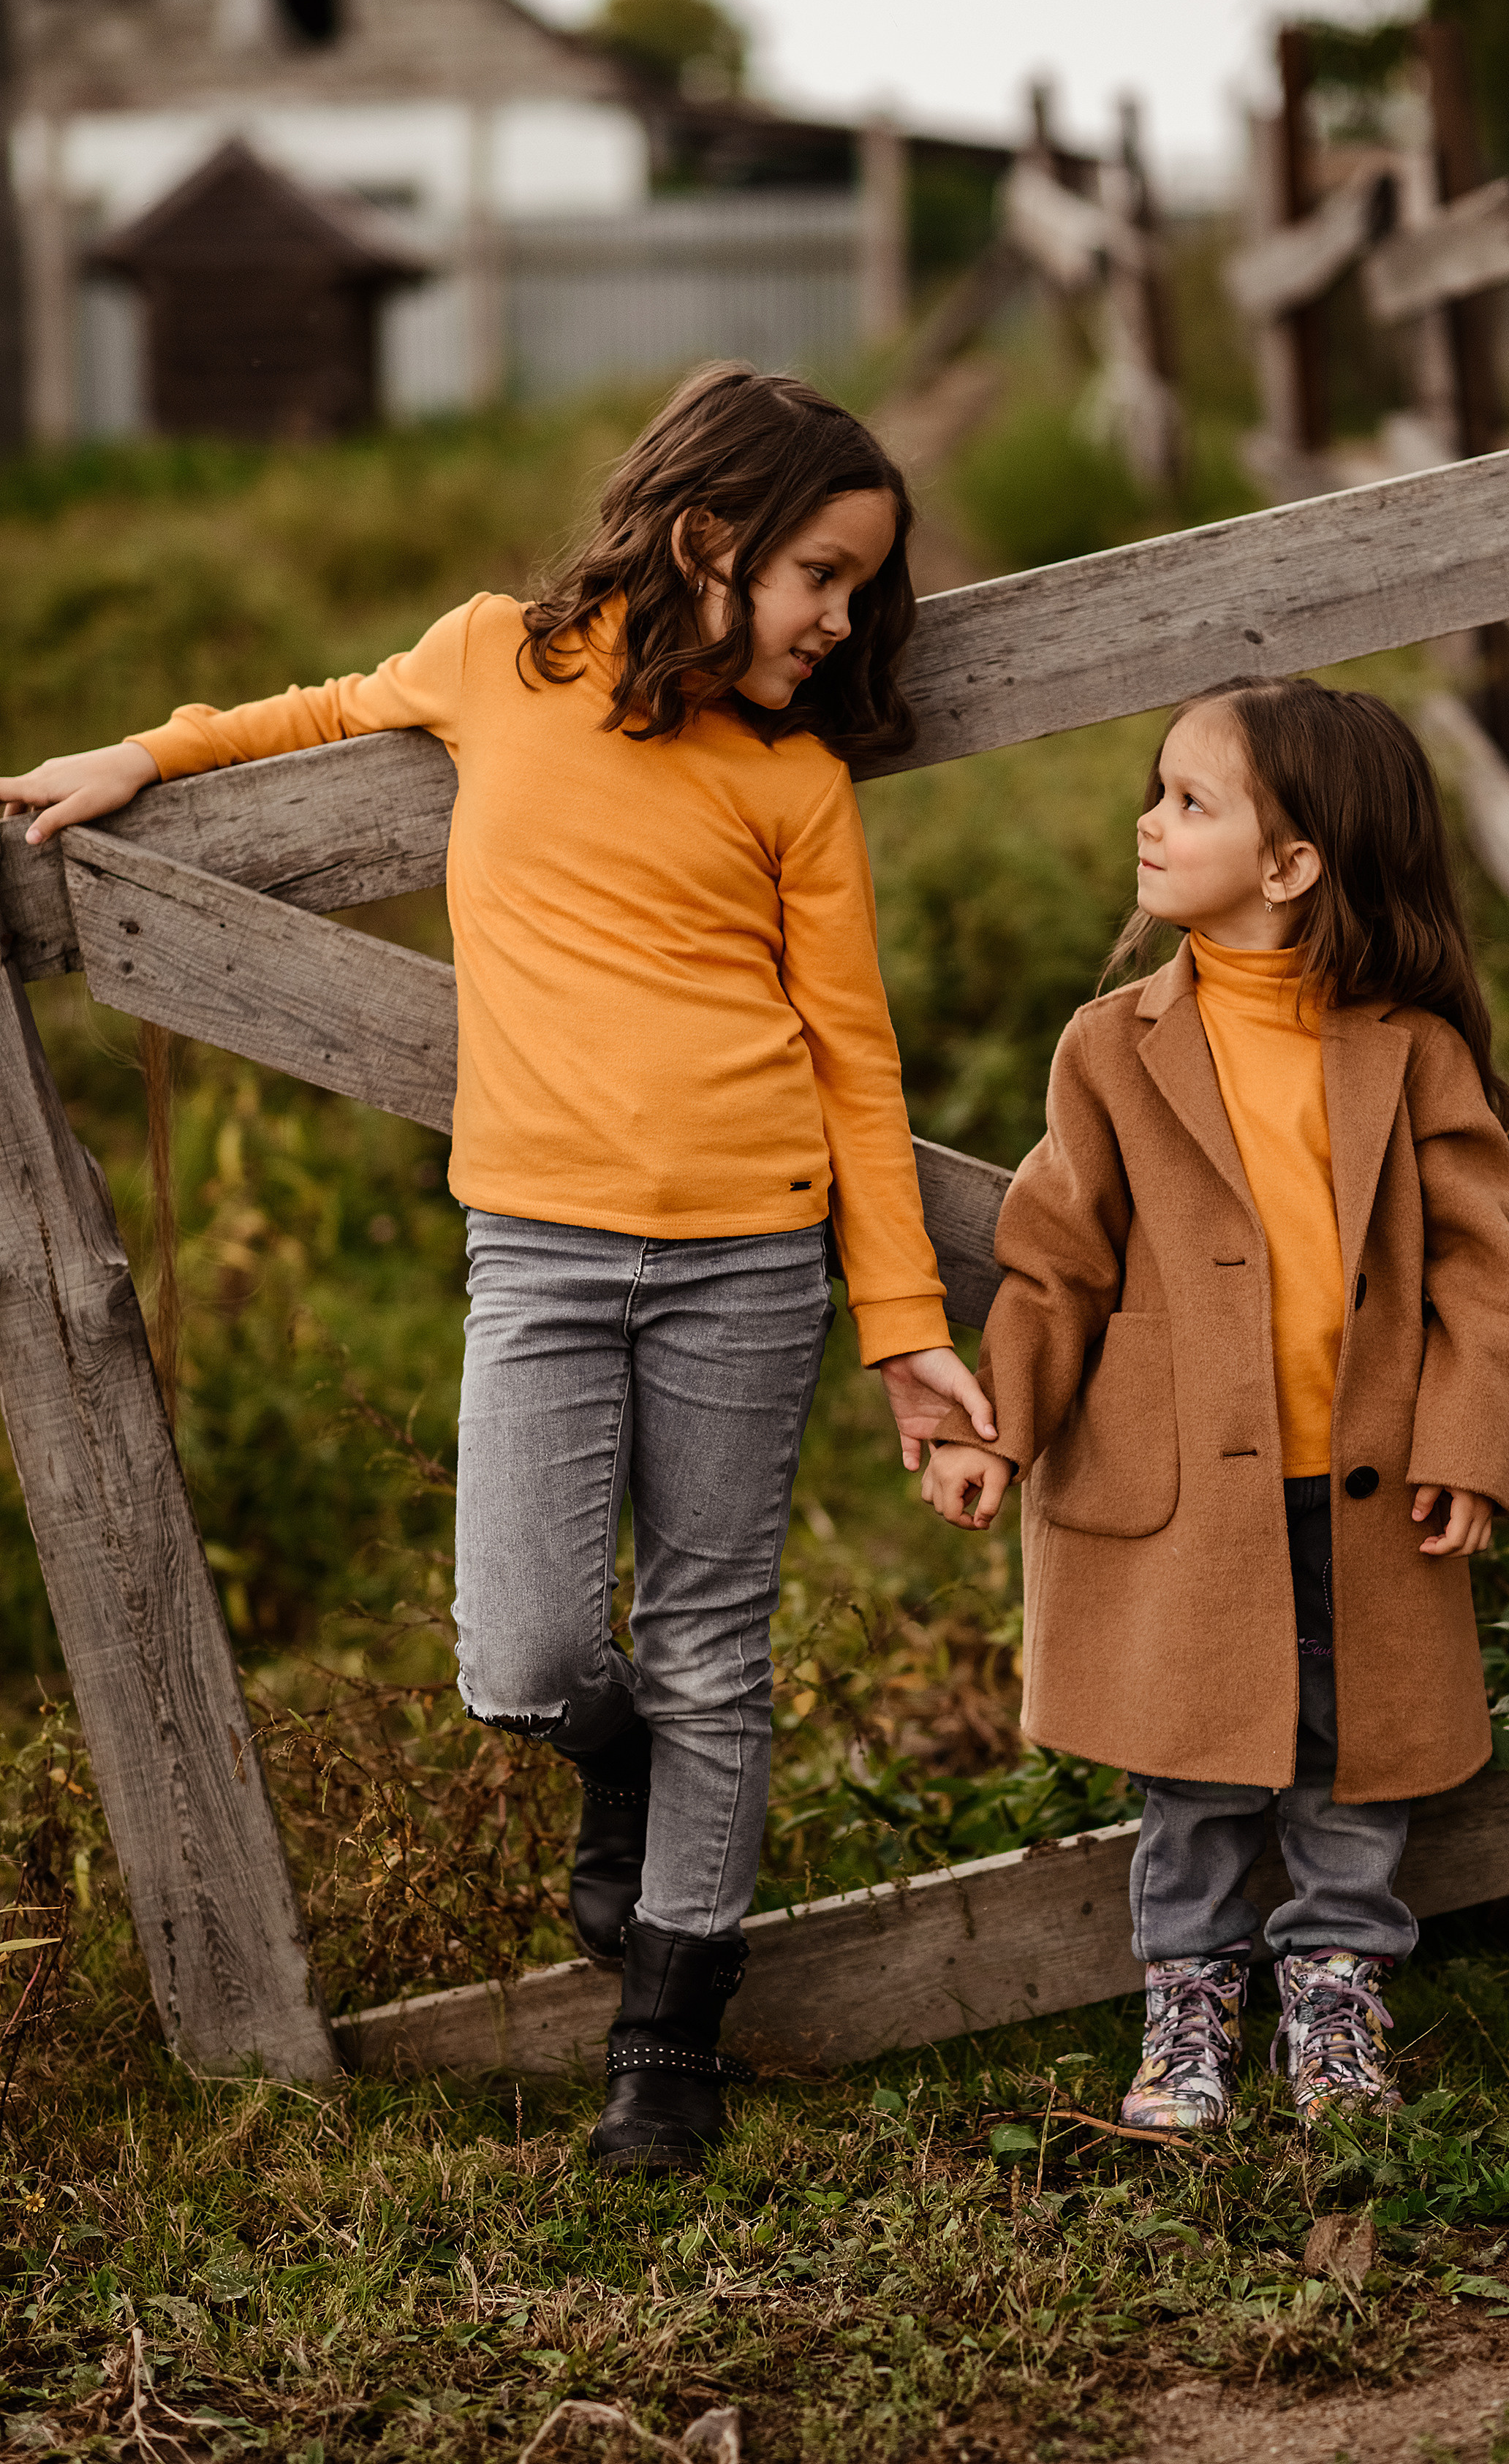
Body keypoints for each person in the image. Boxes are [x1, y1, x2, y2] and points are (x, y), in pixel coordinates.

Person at [0, 362, 994, 2175]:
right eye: (821, 578)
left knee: (710, 1645)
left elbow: (853, 1064)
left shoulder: (794, 784)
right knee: (525, 1652)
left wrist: (905, 1329)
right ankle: (619, 1770)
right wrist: (145, 753)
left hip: (750, 1255)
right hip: (536, 1246)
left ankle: (666, 2037)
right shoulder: (490, 660)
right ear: (710, 540)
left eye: (860, 590)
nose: (841, 620)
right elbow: (313, 707)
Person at [920, 676, 1509, 2134]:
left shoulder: (1409, 1050)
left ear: (1290, 865)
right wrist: (990, 1425)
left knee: (1350, 1748)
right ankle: (1186, 2000)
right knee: (1192, 1761)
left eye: (1187, 802)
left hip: (1361, 1479)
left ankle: (1335, 1989)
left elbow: (1481, 1270)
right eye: (1157, 790)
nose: (1146, 818)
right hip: (1185, 1489)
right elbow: (1054, 1262)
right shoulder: (1111, 1046)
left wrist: (1466, 1441)